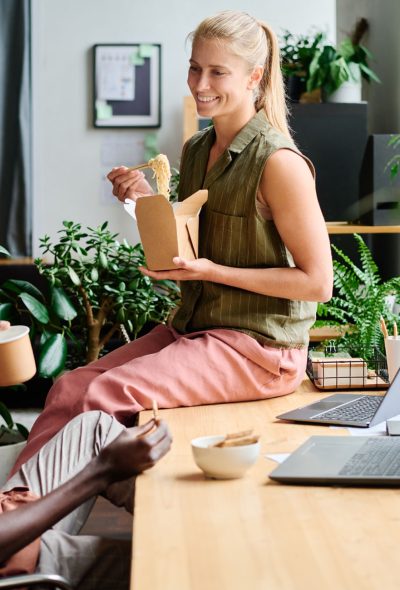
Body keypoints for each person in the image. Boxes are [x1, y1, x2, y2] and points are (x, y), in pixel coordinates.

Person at [11, 10, 332, 476]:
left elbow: (318, 283)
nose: (200, 82)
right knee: (70, 386)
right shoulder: (197, 148)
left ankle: (28, 520)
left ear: (254, 77)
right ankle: (14, 512)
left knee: (105, 394)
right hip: (196, 329)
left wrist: (212, 272)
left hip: (259, 350)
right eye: (194, 67)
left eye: (218, 71)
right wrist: (146, 201)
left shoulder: (279, 163)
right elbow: (186, 239)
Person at [0, 410, 171, 589]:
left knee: (95, 427)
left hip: (6, 514)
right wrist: (100, 471)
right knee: (158, 566)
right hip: (13, 565)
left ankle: (184, 520)